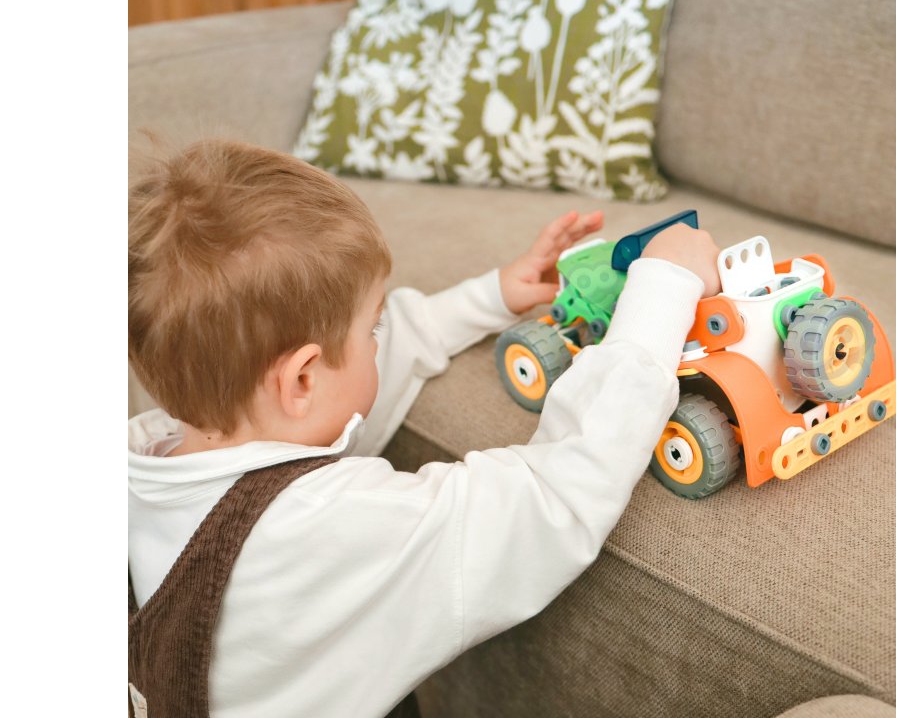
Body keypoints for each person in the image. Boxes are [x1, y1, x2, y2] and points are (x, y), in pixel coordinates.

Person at [127, 138, 721, 717]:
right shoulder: (332, 524)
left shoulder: (147, 464)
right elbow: (549, 498)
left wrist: (490, 298)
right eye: (373, 329)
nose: (379, 342)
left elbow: (336, 390)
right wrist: (662, 290)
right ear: (302, 379)